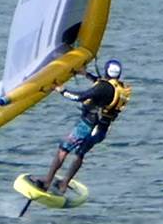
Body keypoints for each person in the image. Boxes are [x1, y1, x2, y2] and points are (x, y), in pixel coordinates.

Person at [39, 59, 131, 195]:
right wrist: (85, 74)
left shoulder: (103, 88)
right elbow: (101, 83)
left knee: (63, 149)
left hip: (87, 126)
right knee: (80, 154)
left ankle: (47, 181)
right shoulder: (119, 87)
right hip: (101, 130)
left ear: (106, 71)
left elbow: (80, 97)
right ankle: (64, 184)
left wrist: (62, 90)